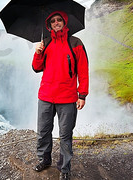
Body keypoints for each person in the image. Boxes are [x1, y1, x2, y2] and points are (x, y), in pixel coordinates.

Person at [32, 10, 89, 180]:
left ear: (65, 22)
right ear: (49, 25)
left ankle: (64, 168)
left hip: (68, 98)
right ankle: (44, 160)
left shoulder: (75, 43)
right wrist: (38, 52)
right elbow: (36, 68)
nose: (56, 23)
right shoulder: (46, 43)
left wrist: (82, 95)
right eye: (53, 21)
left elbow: (83, 71)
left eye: (59, 20)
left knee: (65, 135)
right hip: (46, 96)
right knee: (43, 131)